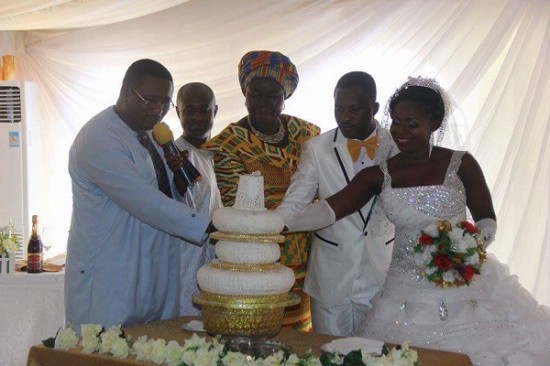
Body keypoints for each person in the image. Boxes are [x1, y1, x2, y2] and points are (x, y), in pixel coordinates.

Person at [284, 77, 550, 365]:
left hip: (463, 283)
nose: (401, 132)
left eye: (412, 125)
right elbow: (331, 209)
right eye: (396, 122)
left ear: (432, 124)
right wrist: (281, 224)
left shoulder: (461, 164)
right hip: (402, 290)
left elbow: (486, 219)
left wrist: (467, 249)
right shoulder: (380, 173)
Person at [66, 59, 212, 330]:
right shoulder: (99, 137)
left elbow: (167, 194)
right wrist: (210, 227)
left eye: (165, 104)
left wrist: (178, 175)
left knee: (153, 351)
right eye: (150, 100)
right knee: (104, 355)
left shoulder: (149, 135)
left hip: (154, 272)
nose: (157, 110)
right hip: (111, 275)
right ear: (125, 92)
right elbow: (143, 200)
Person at [203, 50, 320, 331]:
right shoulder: (229, 143)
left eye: (273, 95)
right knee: (261, 332)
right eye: (255, 94)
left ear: (285, 96)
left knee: (301, 338)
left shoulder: (309, 135)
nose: (263, 103)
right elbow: (236, 206)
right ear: (244, 94)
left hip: (311, 253)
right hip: (257, 261)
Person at [276, 71, 398, 336]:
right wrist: (274, 225)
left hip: (381, 273)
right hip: (330, 276)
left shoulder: (398, 146)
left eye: (354, 109)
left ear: (374, 108)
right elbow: (296, 199)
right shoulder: (317, 148)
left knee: (378, 356)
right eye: (339, 109)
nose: (345, 117)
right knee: (329, 354)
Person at [173, 82, 222, 316]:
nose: (198, 116)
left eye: (204, 109)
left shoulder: (222, 154)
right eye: (189, 110)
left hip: (218, 259)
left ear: (215, 110)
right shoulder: (173, 156)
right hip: (183, 262)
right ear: (177, 112)